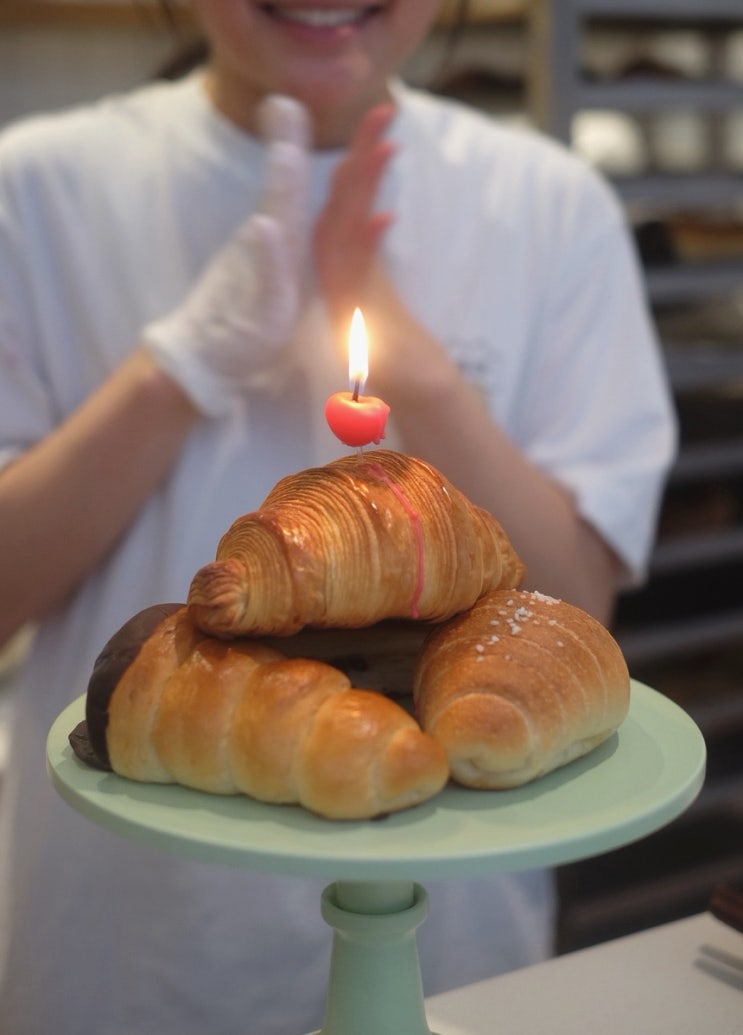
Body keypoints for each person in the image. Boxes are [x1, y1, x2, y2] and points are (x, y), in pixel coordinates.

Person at [0, 2, 676, 1032]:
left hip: (453, 958)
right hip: (131, 953)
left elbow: (574, 614)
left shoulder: (549, 205)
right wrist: (176, 369)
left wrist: (427, 379)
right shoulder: (34, 191)